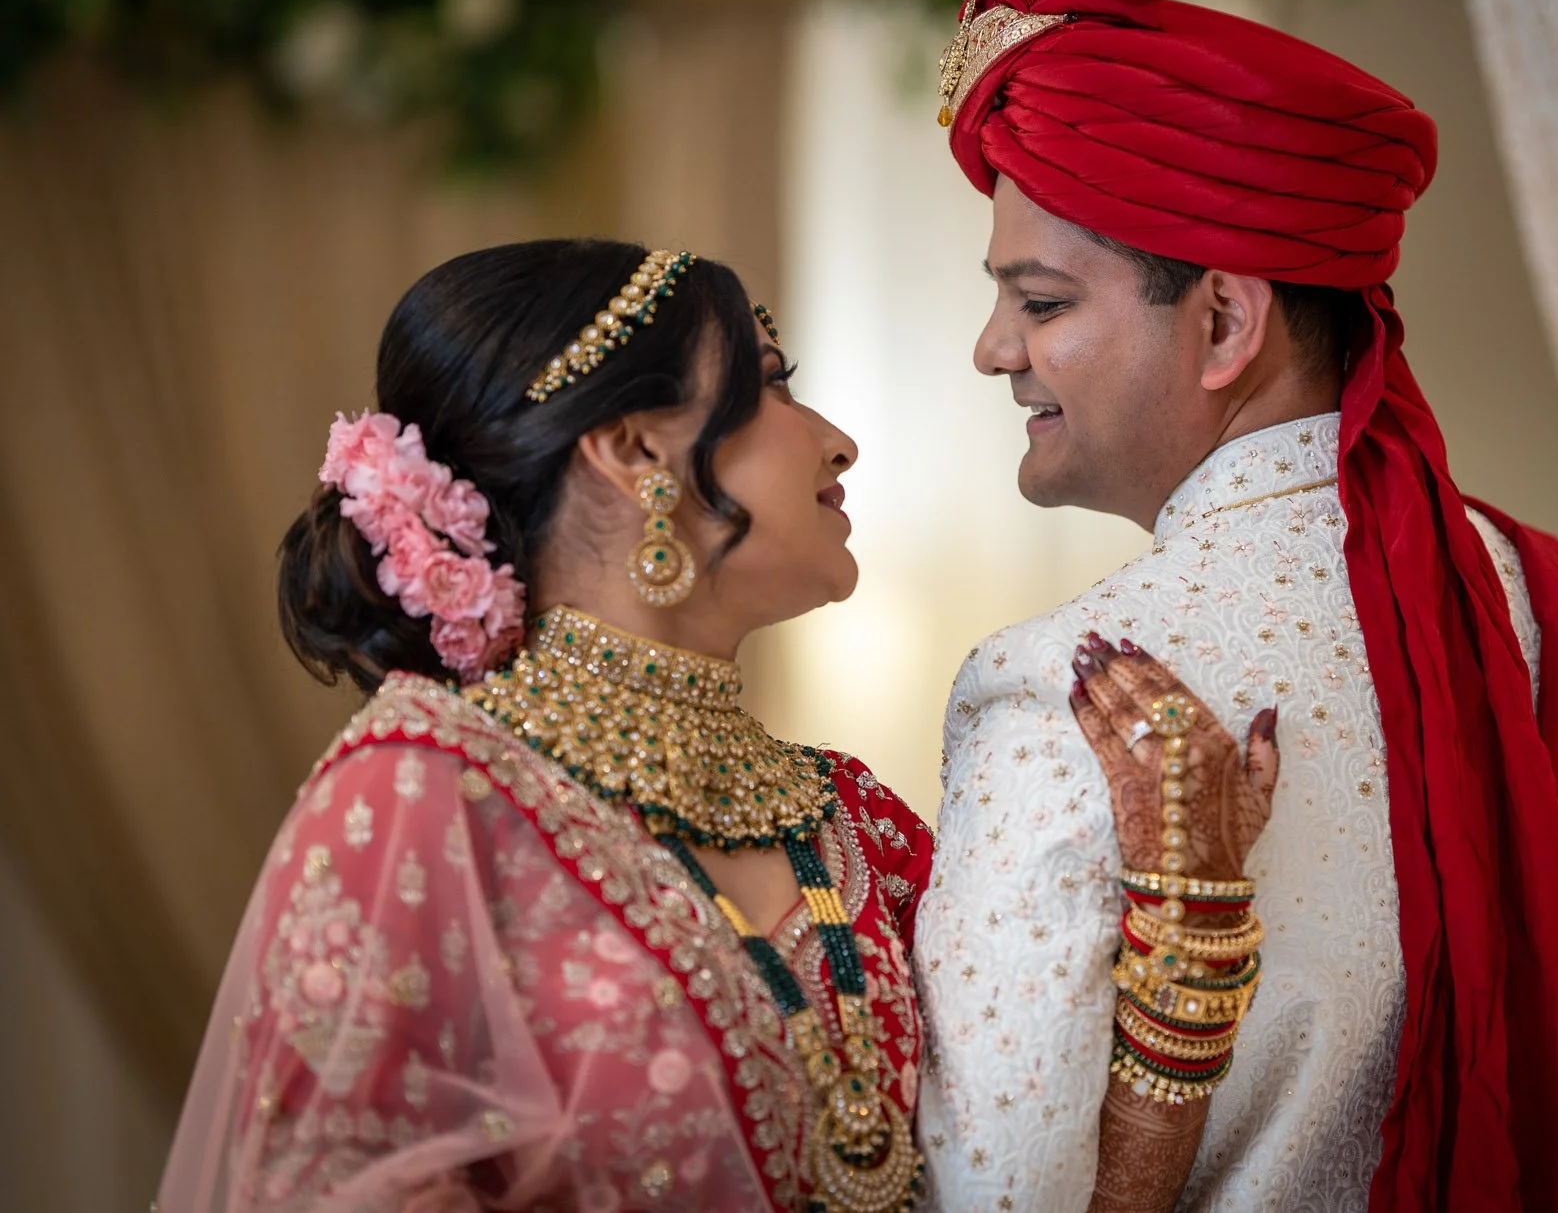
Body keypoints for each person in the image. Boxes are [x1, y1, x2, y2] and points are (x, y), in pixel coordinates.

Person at [153, 239, 1279, 1212]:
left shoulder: (853, 825)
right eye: (775, 385)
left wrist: (1188, 917)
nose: (836, 441)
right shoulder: (422, 799)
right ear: (633, 448)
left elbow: (1019, 1188)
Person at [914, 0, 1558, 1213]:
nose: (994, 349)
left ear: (1225, 323)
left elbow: (992, 1195)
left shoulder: (1068, 691)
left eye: (1039, 301)